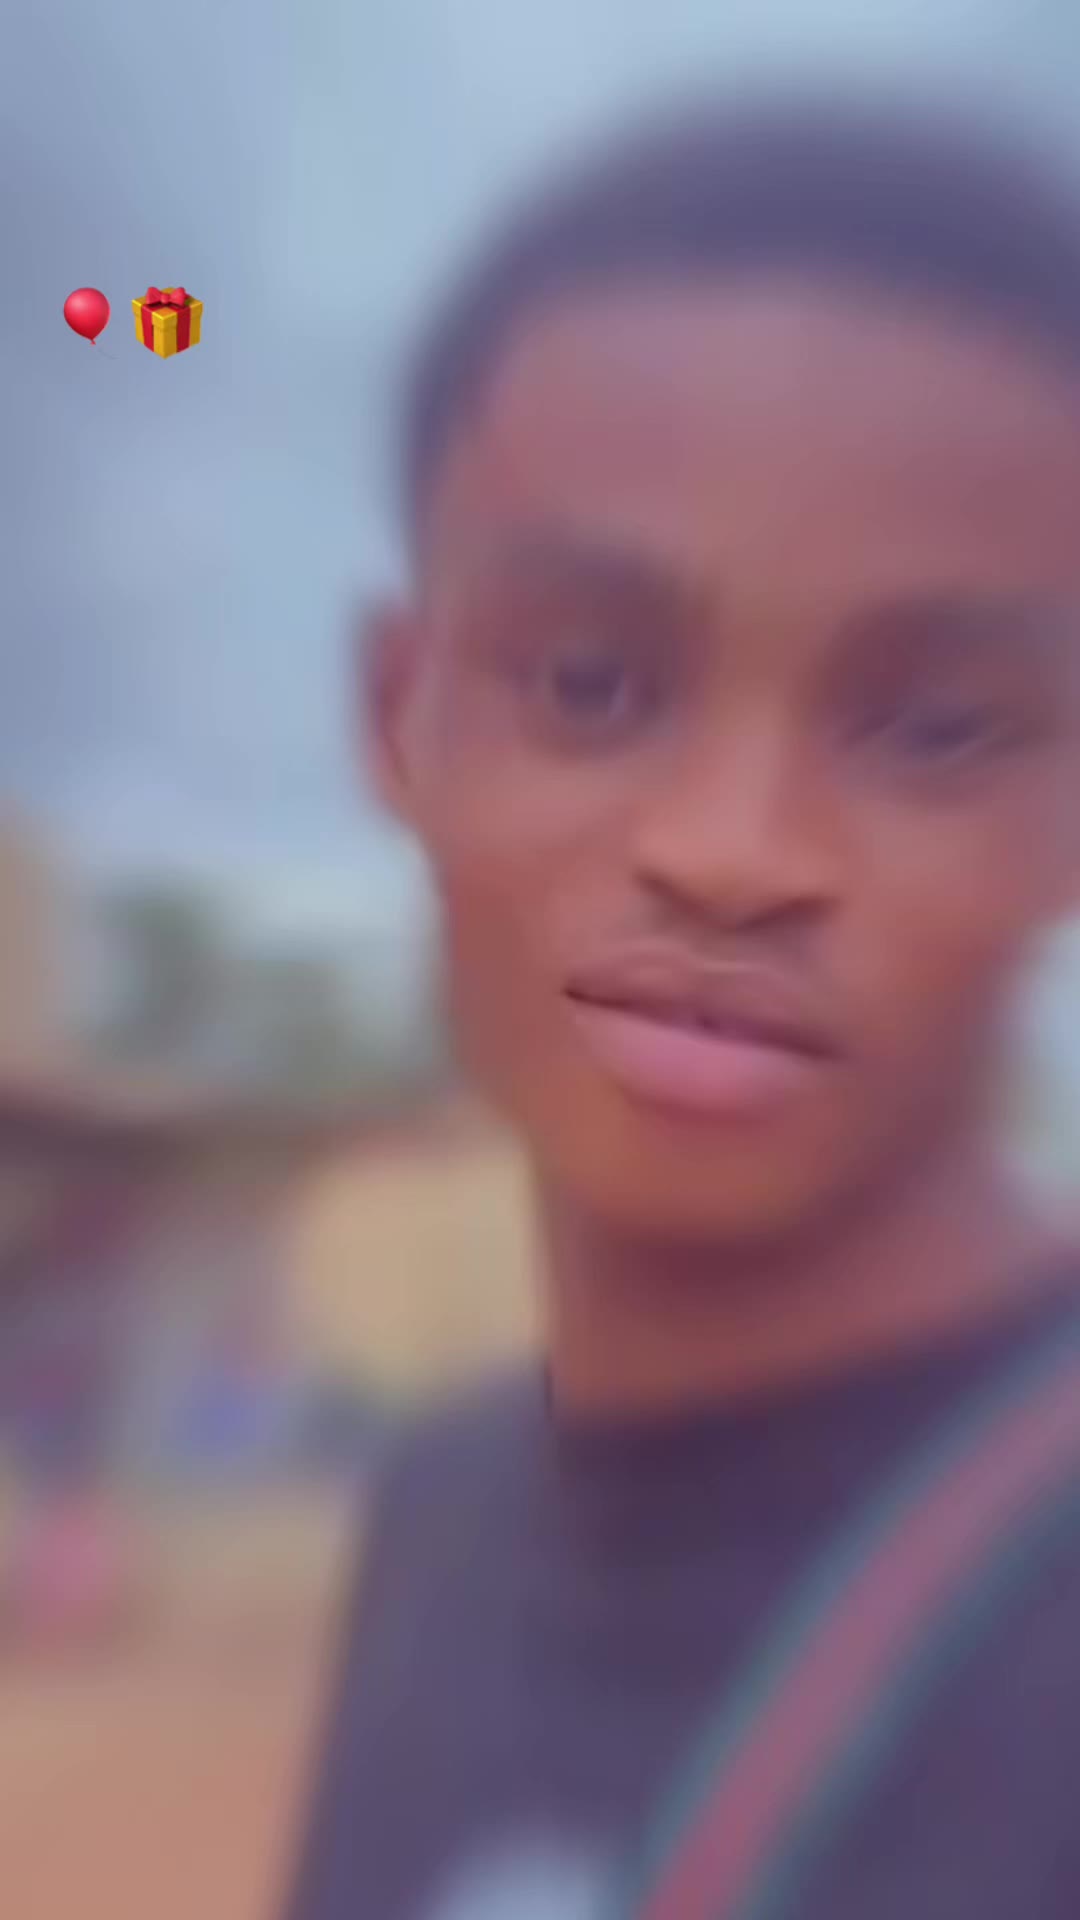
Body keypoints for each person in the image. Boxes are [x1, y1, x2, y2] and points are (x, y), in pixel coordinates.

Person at [288, 92, 1080, 1919]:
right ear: (401, 716)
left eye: (936, 727)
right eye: (588, 681)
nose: (733, 853)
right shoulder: (436, 1518)